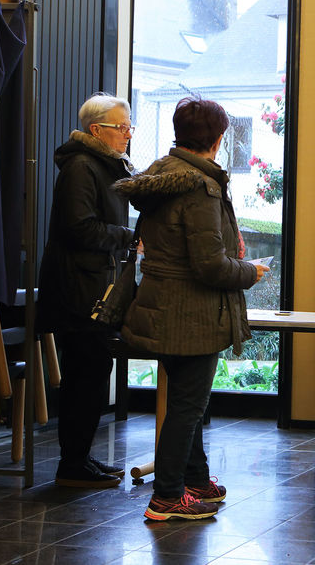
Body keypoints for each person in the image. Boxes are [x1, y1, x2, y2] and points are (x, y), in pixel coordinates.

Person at [114, 97, 269, 520]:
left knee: (189, 401)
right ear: (219, 140)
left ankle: (196, 478)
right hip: (192, 315)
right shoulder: (200, 186)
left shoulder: (163, 177)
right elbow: (210, 266)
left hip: (161, 305)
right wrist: (250, 271)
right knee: (187, 406)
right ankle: (166, 496)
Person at [37, 93, 135, 488]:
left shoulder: (103, 165)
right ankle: (72, 465)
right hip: (77, 291)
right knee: (86, 374)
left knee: (92, 373)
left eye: (129, 126)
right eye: (122, 127)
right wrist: (131, 238)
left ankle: (80, 459)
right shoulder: (81, 166)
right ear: (97, 130)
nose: (128, 134)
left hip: (92, 286)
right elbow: (79, 229)